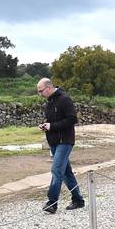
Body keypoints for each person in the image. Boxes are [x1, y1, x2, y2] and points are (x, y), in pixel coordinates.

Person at [37, 77, 83, 214]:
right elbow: (52, 121)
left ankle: (52, 203)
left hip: (65, 141)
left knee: (56, 170)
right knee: (66, 173)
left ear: (49, 88)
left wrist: (52, 126)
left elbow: (72, 119)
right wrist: (46, 125)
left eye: (41, 91)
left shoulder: (64, 99)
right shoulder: (50, 102)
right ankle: (78, 200)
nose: (40, 94)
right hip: (54, 142)